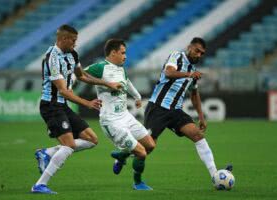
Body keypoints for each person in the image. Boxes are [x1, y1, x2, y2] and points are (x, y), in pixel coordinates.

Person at [31, 25, 121, 194]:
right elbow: (63, 90)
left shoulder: (72, 54)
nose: (75, 44)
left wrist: (107, 84)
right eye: (73, 40)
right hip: (51, 105)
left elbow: (82, 76)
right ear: (63, 39)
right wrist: (87, 103)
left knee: (91, 139)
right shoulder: (52, 57)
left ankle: (47, 152)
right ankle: (39, 185)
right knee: (69, 145)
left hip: (62, 105)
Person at [143, 37, 232, 183]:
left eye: (202, 53)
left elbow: (194, 94)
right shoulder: (177, 56)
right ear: (189, 47)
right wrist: (189, 75)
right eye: (197, 51)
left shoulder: (193, 71)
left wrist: (202, 117)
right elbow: (169, 73)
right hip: (158, 107)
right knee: (148, 147)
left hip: (175, 111)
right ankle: (124, 156)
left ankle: (215, 175)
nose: (199, 55)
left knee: (198, 135)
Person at [84, 39, 156, 190]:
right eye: (123, 53)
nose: (125, 56)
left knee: (150, 145)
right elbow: (81, 74)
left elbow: (127, 82)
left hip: (125, 116)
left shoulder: (120, 69)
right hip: (111, 121)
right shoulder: (100, 67)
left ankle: (121, 156)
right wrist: (104, 84)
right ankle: (138, 183)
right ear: (113, 52)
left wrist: (137, 97)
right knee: (141, 153)